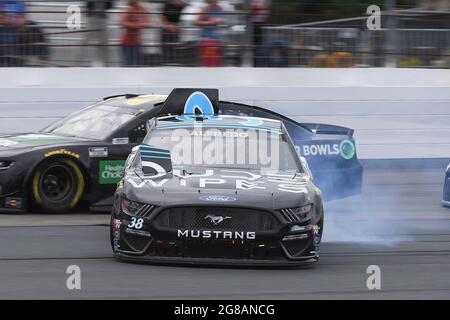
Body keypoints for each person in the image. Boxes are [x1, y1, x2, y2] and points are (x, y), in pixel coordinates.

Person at [81, 1, 114, 67]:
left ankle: (106, 64)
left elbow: (110, 5)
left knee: (102, 43)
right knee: (86, 42)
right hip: (95, 19)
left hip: (99, 19)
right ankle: (80, 63)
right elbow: (110, 5)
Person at [119, 0, 151, 67]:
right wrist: (136, 25)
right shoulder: (129, 9)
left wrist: (139, 25)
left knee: (139, 64)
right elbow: (121, 22)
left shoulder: (140, 9)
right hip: (127, 42)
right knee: (129, 65)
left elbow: (148, 22)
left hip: (137, 42)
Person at [195, 0, 224, 66]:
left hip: (218, 39)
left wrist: (221, 21)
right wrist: (210, 23)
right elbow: (196, 22)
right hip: (207, 39)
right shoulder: (205, 9)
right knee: (208, 63)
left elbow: (222, 20)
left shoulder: (220, 8)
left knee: (217, 62)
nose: (215, 1)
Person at [160, 0, 186, 65]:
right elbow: (163, 17)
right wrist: (168, 25)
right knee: (166, 47)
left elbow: (183, 15)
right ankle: (165, 63)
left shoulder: (182, 5)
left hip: (176, 28)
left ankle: (175, 63)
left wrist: (177, 27)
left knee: (175, 47)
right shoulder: (167, 4)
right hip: (167, 28)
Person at [249, 0, 271, 67]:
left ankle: (261, 63)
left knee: (262, 43)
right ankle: (255, 63)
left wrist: (259, 7)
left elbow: (267, 5)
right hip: (256, 23)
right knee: (256, 44)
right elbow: (252, 6)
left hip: (263, 22)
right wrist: (261, 7)